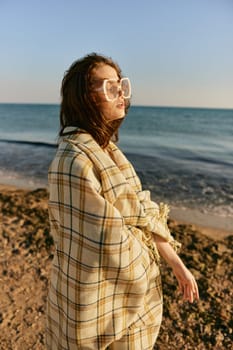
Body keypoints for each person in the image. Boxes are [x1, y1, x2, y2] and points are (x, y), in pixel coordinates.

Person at [46, 53, 199, 350]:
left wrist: (177, 265)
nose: (121, 94)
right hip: (94, 300)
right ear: (85, 97)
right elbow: (106, 242)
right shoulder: (73, 161)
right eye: (109, 87)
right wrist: (149, 263)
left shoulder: (110, 152)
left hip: (129, 299)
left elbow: (141, 211)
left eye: (121, 85)